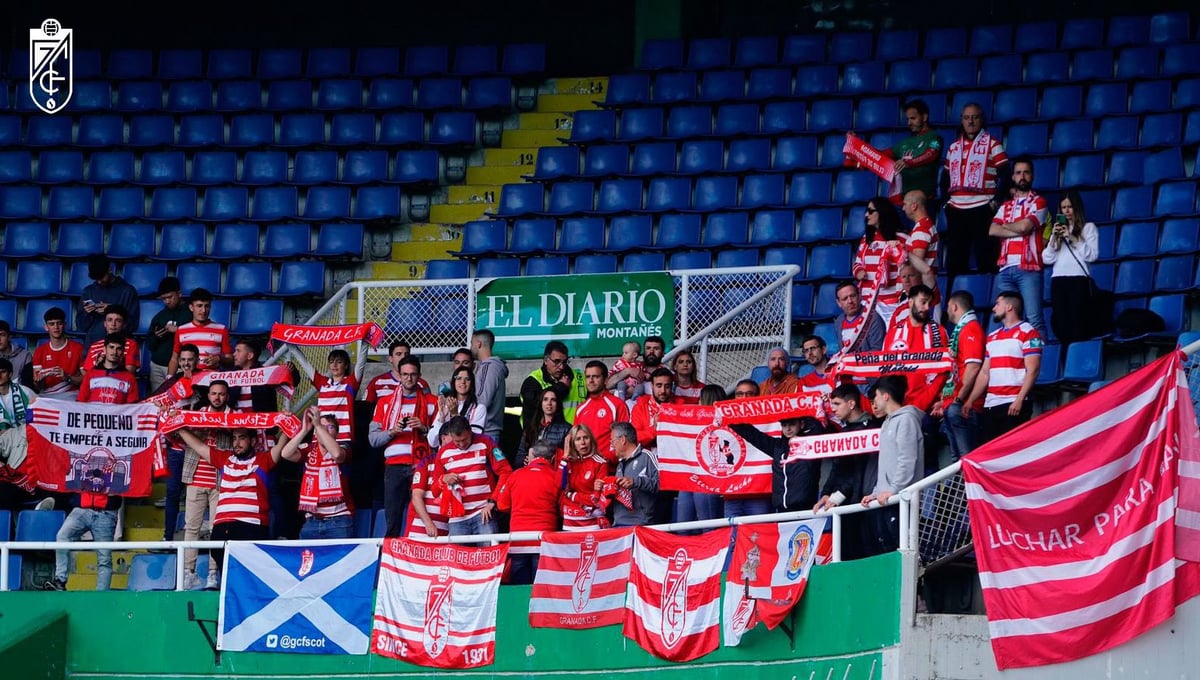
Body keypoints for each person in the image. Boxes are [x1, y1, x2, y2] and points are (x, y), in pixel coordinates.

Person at [175, 425, 289, 591]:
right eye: (234, 439)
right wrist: (179, 426)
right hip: (222, 529)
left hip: (250, 527)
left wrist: (287, 423)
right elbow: (198, 446)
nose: (236, 443)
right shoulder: (224, 458)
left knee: (248, 581)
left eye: (241, 438)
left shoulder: (263, 460)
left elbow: (281, 446)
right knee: (229, 582)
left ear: (253, 440)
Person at [368, 355, 437, 537]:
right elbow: (373, 440)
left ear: (419, 375)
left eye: (413, 374)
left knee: (425, 516)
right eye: (405, 374)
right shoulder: (385, 403)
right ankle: (392, 562)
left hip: (422, 465)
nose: (409, 378)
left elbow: (441, 440)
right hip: (394, 466)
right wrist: (392, 431)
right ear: (398, 375)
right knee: (393, 519)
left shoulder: (433, 401)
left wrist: (423, 428)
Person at [965, 291, 1043, 444]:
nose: (994, 308)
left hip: (1013, 403)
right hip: (991, 403)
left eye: (998, 304)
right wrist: (971, 400)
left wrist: (1019, 400)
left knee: (1012, 451)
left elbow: (1033, 370)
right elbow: (985, 373)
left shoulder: (1029, 333)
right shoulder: (992, 336)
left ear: (1009, 307)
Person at [941, 102, 1010, 276]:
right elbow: (945, 179)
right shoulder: (953, 147)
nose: (970, 122)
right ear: (961, 121)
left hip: (982, 207)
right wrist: (945, 203)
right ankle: (956, 298)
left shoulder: (993, 144)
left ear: (982, 120)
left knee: (986, 258)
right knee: (955, 262)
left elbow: (1006, 175)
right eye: (966, 118)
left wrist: (995, 202)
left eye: (974, 117)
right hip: (956, 209)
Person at [179, 378, 235, 589]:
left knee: (217, 530)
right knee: (191, 528)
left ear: (226, 396)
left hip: (221, 482)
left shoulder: (235, 417)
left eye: (221, 394)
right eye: (213, 394)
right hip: (194, 478)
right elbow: (177, 432)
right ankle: (188, 573)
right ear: (208, 395)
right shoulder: (197, 413)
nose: (217, 397)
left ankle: (214, 573)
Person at [860, 375, 923, 556]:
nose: (875, 401)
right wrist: (875, 492)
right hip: (886, 499)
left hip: (900, 500)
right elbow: (887, 464)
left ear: (886, 396)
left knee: (902, 552)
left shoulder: (907, 420)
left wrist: (894, 489)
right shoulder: (887, 423)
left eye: (877, 396)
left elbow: (907, 460)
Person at [814, 384, 878, 561]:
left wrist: (838, 495)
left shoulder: (870, 429)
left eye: (836, 404)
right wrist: (827, 492)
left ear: (851, 404)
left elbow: (859, 469)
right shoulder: (843, 430)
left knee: (862, 555)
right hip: (842, 503)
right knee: (844, 554)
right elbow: (837, 467)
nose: (832, 409)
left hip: (862, 504)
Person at [989, 158, 1049, 336]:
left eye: (1026, 172)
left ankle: (1041, 362)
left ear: (1032, 176)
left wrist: (1007, 226)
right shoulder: (1006, 205)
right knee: (1004, 318)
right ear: (1013, 177)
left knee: (1034, 318)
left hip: (1028, 268)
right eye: (1018, 173)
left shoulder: (1039, 202)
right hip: (1005, 268)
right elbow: (992, 230)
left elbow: (1026, 227)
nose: (1022, 176)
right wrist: (1019, 228)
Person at [430, 416, 511, 541]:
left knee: (488, 558)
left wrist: (492, 502)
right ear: (450, 435)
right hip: (457, 518)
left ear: (470, 430)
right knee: (458, 560)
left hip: (484, 514)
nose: (462, 444)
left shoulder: (486, 442)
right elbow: (434, 490)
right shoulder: (443, 452)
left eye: (465, 439)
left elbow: (506, 472)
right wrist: (443, 479)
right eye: (457, 442)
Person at [280, 406, 353, 540]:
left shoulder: (344, 447)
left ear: (337, 433)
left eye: (329, 427)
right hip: (312, 522)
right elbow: (285, 454)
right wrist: (304, 430)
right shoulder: (309, 451)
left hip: (338, 522)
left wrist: (318, 425)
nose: (324, 429)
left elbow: (336, 454)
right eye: (320, 427)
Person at [730, 414, 824, 514]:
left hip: (807, 510)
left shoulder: (811, 445)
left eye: (792, 424)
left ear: (802, 424)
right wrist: (727, 418)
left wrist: (799, 410)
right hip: (781, 512)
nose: (788, 428)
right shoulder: (777, 447)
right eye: (784, 425)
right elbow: (752, 435)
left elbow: (818, 427)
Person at [496, 440, 561, 585]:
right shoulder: (556, 477)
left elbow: (502, 505)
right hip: (544, 542)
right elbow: (562, 508)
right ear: (553, 458)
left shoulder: (515, 475)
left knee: (519, 590)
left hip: (518, 542)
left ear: (532, 455)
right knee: (541, 590)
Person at [1042, 189, 1100, 345]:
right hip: (1058, 281)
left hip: (1078, 280)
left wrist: (1073, 238)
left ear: (1077, 208)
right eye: (1063, 207)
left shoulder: (1088, 228)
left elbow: (1092, 255)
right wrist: (1054, 238)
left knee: (1079, 323)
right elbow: (1047, 259)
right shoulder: (1058, 230)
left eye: (1070, 207)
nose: (1066, 211)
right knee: (1062, 323)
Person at [933, 291, 986, 461]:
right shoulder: (962, 330)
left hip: (964, 406)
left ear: (954, 306)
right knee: (957, 459)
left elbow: (973, 367)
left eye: (948, 307)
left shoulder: (970, 329)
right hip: (954, 404)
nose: (947, 311)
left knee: (966, 459)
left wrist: (959, 399)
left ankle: (969, 488)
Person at [882, 284, 948, 412]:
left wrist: (922, 403)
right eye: (923, 302)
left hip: (930, 407)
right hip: (898, 407)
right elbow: (886, 371)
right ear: (911, 302)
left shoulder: (938, 332)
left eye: (929, 304)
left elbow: (944, 372)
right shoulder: (894, 333)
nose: (927, 308)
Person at [853, 197, 908, 325]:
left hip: (891, 303)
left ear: (882, 212)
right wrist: (859, 271)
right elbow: (857, 263)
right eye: (867, 211)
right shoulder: (866, 239)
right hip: (867, 301)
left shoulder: (901, 238)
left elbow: (905, 268)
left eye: (871, 211)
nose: (867, 215)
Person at [573, 360, 630, 463]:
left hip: (610, 468)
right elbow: (575, 439)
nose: (591, 380)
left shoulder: (617, 405)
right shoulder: (581, 408)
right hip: (584, 468)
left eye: (596, 376)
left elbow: (624, 441)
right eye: (588, 377)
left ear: (605, 380)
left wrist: (604, 459)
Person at [77, 254, 139, 348]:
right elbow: (81, 326)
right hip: (93, 345)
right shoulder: (88, 291)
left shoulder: (127, 291)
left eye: (101, 277)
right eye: (96, 278)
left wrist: (112, 310)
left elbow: (132, 325)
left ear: (109, 269)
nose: (99, 281)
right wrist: (87, 313)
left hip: (119, 348)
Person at [889, 99, 943, 205]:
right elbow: (882, 154)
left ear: (924, 117)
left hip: (924, 201)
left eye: (913, 118)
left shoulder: (934, 138)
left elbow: (931, 154)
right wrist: (860, 147)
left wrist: (908, 163)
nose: (909, 123)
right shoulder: (905, 142)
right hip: (904, 201)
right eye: (908, 119)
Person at [559, 424, 611, 530]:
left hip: (592, 524)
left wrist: (572, 496)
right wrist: (564, 457)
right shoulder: (568, 462)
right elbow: (560, 486)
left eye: (585, 438)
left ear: (591, 440)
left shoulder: (601, 463)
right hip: (570, 523)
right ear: (572, 443)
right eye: (578, 439)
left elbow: (597, 499)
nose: (583, 442)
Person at [167, 288, 232, 375]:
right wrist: (169, 379)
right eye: (199, 306)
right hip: (189, 379)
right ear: (191, 307)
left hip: (212, 381)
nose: (204, 310)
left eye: (207, 306)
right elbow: (174, 359)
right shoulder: (181, 330)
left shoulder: (221, 329)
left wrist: (219, 358)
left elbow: (230, 360)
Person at [521, 340, 585, 425]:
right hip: (542, 435)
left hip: (575, 435)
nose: (561, 367)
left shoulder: (579, 378)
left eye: (564, 362)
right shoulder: (533, 381)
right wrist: (560, 387)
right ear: (546, 360)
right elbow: (533, 404)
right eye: (556, 361)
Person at [146, 276, 191, 392]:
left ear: (179, 294)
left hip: (181, 366)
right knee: (157, 401)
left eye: (170, 297)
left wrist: (178, 330)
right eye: (164, 298)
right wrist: (157, 336)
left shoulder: (190, 313)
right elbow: (150, 344)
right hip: (157, 365)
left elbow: (198, 335)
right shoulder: (160, 316)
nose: (167, 301)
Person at [610, 422, 658, 527]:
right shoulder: (620, 465)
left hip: (641, 525)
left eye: (613, 441)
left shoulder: (647, 457)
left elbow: (662, 485)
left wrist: (636, 482)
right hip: (618, 524)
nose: (611, 446)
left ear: (622, 440)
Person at [32, 307, 85, 400]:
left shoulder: (78, 348)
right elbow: (38, 386)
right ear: (46, 327)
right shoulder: (39, 351)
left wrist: (67, 377)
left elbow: (85, 380)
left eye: (59, 323)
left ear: (64, 325)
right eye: (51, 324)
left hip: (70, 395)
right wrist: (39, 381)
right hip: (46, 395)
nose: (56, 327)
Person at [428, 366, 486, 446]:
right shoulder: (446, 406)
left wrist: (455, 415)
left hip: (466, 456)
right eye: (459, 378)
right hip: (445, 456)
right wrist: (441, 418)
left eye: (467, 379)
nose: (463, 382)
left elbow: (473, 439)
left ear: (472, 384)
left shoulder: (479, 408)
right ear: (453, 382)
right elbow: (432, 442)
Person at [517, 386, 571, 465]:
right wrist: (523, 461)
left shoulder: (567, 429)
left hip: (554, 474)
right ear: (541, 403)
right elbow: (520, 455)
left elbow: (569, 457)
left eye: (553, 400)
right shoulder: (531, 427)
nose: (549, 403)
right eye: (545, 399)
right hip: (532, 472)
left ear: (558, 404)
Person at [78, 334, 139, 404]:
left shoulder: (130, 378)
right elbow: (81, 403)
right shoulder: (90, 375)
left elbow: (132, 408)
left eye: (118, 349)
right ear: (104, 349)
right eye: (111, 347)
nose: (114, 352)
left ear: (123, 352)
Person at [471, 329, 508, 443]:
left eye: (472, 344)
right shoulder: (492, 367)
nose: (471, 348)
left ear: (478, 344)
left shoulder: (488, 367)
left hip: (485, 431)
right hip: (490, 431)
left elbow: (482, 401)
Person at [831, 281, 884, 356]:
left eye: (852, 296)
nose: (850, 301)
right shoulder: (839, 322)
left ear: (859, 296)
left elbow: (878, 350)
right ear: (839, 303)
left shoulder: (873, 318)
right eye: (845, 298)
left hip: (868, 366)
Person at [85, 304, 140, 374]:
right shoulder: (94, 346)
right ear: (105, 324)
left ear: (124, 325)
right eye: (110, 320)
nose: (113, 324)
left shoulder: (132, 345)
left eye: (118, 321)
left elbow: (129, 373)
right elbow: (88, 374)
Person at [0, 321, 32, 389]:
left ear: (9, 337)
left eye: (2, 335)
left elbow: (28, 385)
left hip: (19, 394)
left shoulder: (25, 356)